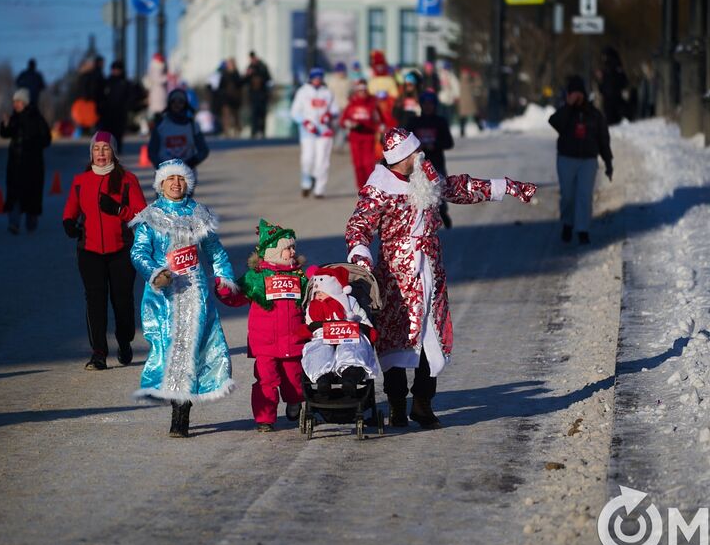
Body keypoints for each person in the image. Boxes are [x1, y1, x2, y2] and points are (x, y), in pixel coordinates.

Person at [345, 128, 537, 428]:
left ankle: (422, 402)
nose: (421, 154)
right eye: (414, 151)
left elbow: (460, 188)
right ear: (401, 157)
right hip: (395, 276)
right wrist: (360, 255)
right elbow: (359, 225)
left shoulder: (425, 176)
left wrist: (508, 187)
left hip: (430, 272)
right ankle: (396, 404)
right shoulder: (379, 187)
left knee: (431, 336)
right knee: (394, 339)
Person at [130, 159, 237, 437]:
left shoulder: (199, 213)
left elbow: (214, 250)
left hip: (195, 291)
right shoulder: (149, 216)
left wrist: (223, 277)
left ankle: (182, 412)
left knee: (192, 348)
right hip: (164, 295)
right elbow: (138, 252)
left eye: (181, 179)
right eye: (170, 179)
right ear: (160, 184)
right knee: (170, 349)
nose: (176, 184)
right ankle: (175, 400)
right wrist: (156, 273)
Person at [62, 131, 147, 370]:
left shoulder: (128, 179)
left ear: (114, 152)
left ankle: (124, 340)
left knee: (122, 301)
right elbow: (70, 211)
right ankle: (98, 352)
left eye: (105, 148)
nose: (100, 152)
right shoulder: (81, 181)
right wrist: (69, 224)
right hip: (89, 250)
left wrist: (119, 209)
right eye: (96, 148)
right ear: (91, 153)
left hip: (121, 249)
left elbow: (142, 216)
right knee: (95, 301)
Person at [218, 220, 310, 432]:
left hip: (293, 340)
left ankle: (295, 402)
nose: (293, 251)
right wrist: (224, 289)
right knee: (265, 381)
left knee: (294, 380)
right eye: (288, 248)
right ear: (274, 252)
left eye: (293, 247)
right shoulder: (256, 277)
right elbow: (236, 296)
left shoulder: (299, 276)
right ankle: (264, 418)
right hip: (265, 343)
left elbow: (312, 300)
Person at [548, 75, 613, 245]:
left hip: (588, 161)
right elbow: (554, 122)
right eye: (573, 94)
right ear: (568, 95)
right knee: (568, 196)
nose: (577, 97)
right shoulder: (564, 113)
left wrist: (608, 162)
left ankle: (583, 229)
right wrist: (569, 106)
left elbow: (603, 140)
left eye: (579, 93)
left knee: (584, 195)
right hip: (566, 159)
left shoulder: (594, 115)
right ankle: (567, 223)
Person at [301, 265, 380, 396]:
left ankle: (351, 375)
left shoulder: (349, 302)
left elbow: (362, 317)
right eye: (316, 293)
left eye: (321, 292)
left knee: (352, 348)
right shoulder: (312, 307)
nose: (318, 295)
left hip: (349, 334)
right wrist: (306, 330)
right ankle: (323, 378)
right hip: (322, 335)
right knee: (318, 350)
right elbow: (309, 324)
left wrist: (368, 329)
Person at [0, 88, 51, 234]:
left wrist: (33, 143)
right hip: (15, 163)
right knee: (14, 194)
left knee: (32, 194)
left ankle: (31, 221)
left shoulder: (37, 118)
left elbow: (47, 139)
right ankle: (14, 223)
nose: (15, 104)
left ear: (25, 102)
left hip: (33, 164)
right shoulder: (13, 118)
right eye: (14, 101)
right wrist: (5, 124)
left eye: (18, 101)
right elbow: (4, 134)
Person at [406, 91, 455, 229]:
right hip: (417, 165)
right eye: (425, 104)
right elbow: (405, 142)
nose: (428, 107)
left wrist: (435, 145)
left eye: (430, 104)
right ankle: (419, 221)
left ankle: (442, 214)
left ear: (435, 105)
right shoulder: (414, 122)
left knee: (438, 192)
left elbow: (449, 143)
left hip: (436, 163)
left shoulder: (440, 122)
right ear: (421, 105)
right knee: (417, 193)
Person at [290, 68, 338, 199]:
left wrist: (329, 115)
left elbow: (335, 109)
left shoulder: (328, 93)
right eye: (314, 77)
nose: (317, 80)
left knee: (322, 160)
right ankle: (306, 182)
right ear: (310, 78)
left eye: (319, 77)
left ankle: (319, 189)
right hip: (308, 132)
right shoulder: (303, 92)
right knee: (307, 159)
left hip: (324, 131)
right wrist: (305, 122)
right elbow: (294, 112)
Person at [147, 88, 209, 168]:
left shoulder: (192, 125)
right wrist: (161, 167)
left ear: (185, 104)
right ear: (169, 104)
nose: (177, 104)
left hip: (187, 174)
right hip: (165, 175)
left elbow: (203, 150)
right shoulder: (161, 125)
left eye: (180, 101)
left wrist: (190, 163)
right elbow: (152, 151)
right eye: (173, 101)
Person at [340, 78, 383, 189]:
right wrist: (350, 124)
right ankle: (361, 188)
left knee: (368, 164)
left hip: (368, 137)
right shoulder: (351, 104)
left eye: (364, 90)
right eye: (360, 90)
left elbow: (379, 121)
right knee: (358, 165)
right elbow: (343, 121)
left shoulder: (372, 103)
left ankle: (371, 186)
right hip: (355, 138)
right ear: (356, 91)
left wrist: (379, 129)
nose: (362, 92)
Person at [98, 60, 144, 155]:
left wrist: (128, 106)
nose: (116, 71)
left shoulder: (126, 83)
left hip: (120, 112)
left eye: (118, 69)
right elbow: (100, 96)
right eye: (114, 69)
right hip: (108, 112)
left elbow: (133, 96)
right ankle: (107, 150)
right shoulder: (107, 82)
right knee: (107, 132)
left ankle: (117, 151)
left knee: (118, 133)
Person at [597, 46, 629, 126]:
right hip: (613, 97)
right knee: (613, 121)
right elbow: (624, 82)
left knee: (611, 120)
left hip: (611, 98)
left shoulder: (609, 68)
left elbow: (604, 84)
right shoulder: (615, 67)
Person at [244, 51, 272, 139]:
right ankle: (254, 131)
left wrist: (260, 79)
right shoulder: (250, 67)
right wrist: (248, 75)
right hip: (253, 94)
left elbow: (268, 78)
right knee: (254, 114)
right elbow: (245, 80)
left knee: (262, 114)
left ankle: (262, 131)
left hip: (262, 94)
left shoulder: (263, 66)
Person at [217, 57, 243, 137]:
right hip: (226, 98)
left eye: (230, 63)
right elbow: (220, 86)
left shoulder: (236, 73)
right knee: (226, 115)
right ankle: (226, 131)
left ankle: (237, 130)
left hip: (235, 98)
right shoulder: (224, 73)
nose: (229, 65)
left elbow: (239, 84)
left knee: (235, 115)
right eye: (228, 63)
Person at [144, 53, 168, 127]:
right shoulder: (156, 67)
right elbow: (157, 79)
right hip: (158, 95)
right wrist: (167, 77)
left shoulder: (153, 67)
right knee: (158, 115)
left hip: (158, 95)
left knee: (159, 115)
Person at [458, 67, 480, 135]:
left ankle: (462, 131)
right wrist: (476, 77)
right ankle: (480, 127)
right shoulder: (470, 82)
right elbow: (478, 85)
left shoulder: (460, 81)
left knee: (463, 117)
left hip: (462, 102)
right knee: (475, 114)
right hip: (470, 102)